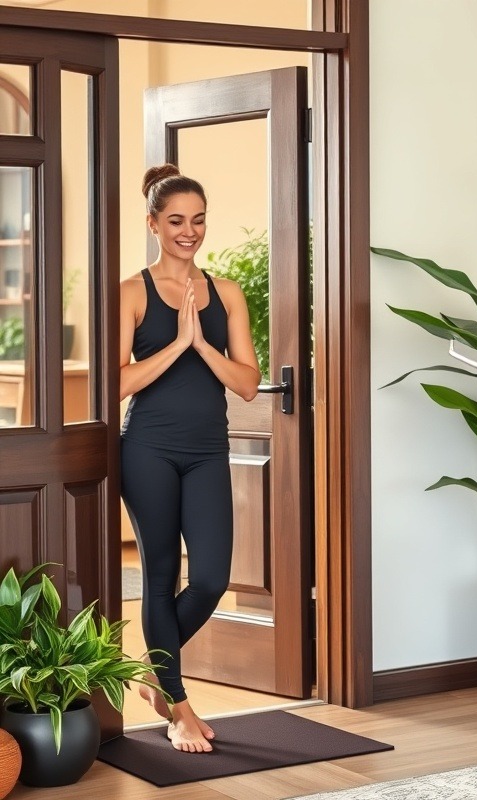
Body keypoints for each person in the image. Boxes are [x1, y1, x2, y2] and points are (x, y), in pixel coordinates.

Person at [120, 164, 260, 753]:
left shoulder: (225, 293)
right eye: (176, 220)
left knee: (209, 579)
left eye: (198, 220)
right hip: (148, 448)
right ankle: (177, 708)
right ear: (153, 223)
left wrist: (201, 343)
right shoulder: (132, 292)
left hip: (207, 451)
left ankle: (154, 676)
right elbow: (116, 382)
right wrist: (175, 343)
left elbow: (249, 384)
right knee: (159, 575)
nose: (189, 231)